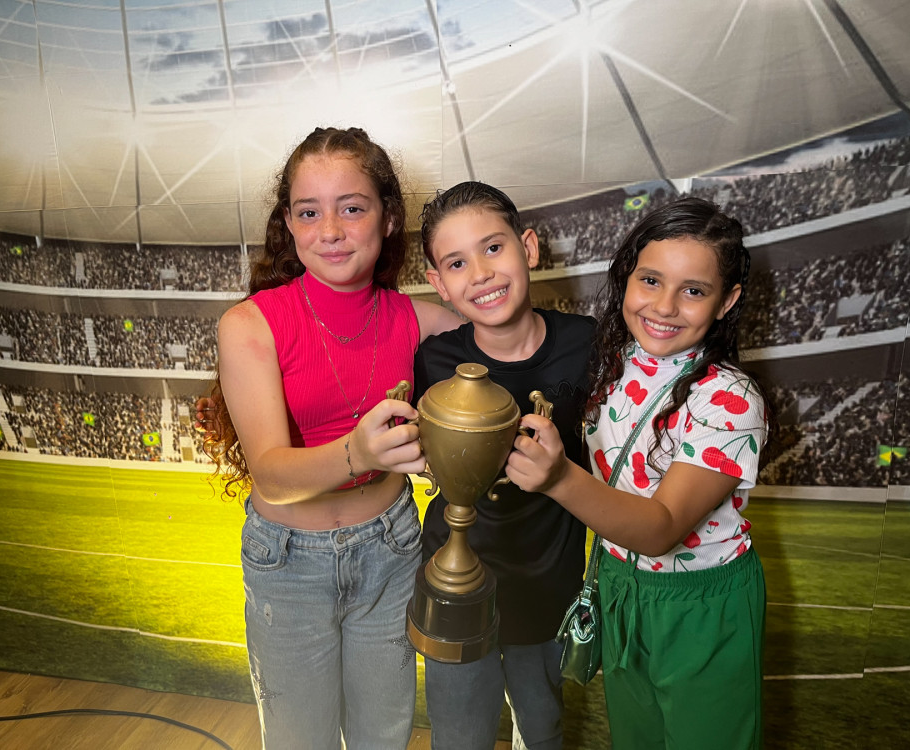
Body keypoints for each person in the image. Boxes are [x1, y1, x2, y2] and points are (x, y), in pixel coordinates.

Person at [206, 126, 458, 749]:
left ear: (389, 218)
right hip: (288, 563)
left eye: (351, 208)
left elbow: (506, 341)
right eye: (308, 212)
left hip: (392, 551)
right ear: (288, 225)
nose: (330, 230)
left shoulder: (422, 320)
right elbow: (270, 475)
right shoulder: (249, 325)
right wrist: (359, 453)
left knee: (384, 738)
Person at [507, 196, 770, 749]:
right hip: (619, 585)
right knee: (635, 739)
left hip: (700, 603)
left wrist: (558, 479)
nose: (665, 306)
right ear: (626, 277)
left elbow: (660, 529)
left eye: (693, 291)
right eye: (650, 280)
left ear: (727, 301)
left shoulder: (730, 398)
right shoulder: (608, 361)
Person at [413, 181, 595, 750]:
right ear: (440, 284)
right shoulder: (435, 361)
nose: (481, 273)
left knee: (543, 729)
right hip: (456, 584)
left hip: (547, 586)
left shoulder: (589, 345)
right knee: (459, 736)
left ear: (529, 248)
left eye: (493, 248)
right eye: (457, 263)